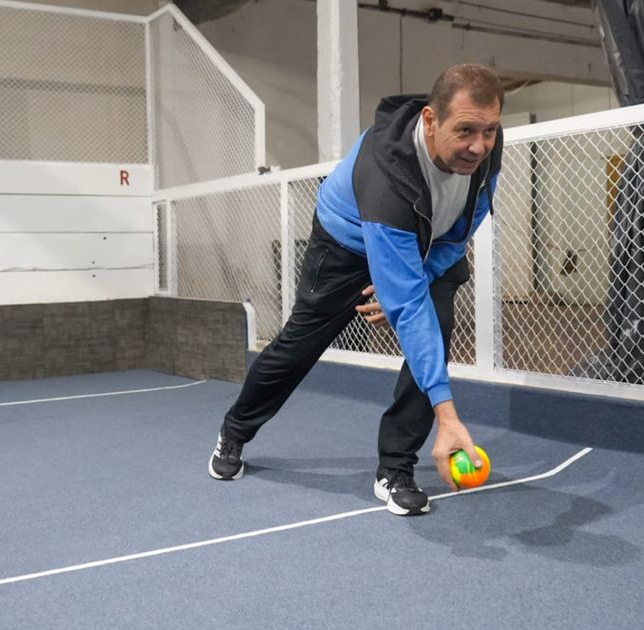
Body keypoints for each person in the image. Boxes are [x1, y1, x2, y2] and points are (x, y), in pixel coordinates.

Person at [209, 63, 504, 516]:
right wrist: (449, 416)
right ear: (430, 120)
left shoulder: (484, 148)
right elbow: (408, 306)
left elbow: (468, 220)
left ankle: (396, 469)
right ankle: (235, 431)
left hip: (431, 245)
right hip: (346, 243)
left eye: (489, 131)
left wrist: (413, 283)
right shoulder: (388, 174)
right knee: (299, 346)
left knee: (435, 331)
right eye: (465, 130)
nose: (478, 145)